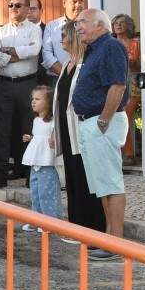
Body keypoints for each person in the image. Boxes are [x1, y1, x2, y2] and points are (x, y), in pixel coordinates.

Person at [70, 9, 130, 259]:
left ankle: (116, 242)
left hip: (101, 123)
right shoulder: (95, 49)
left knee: (110, 182)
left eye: (82, 22)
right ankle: (108, 236)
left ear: (99, 24)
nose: (78, 27)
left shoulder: (110, 46)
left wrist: (103, 121)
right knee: (101, 185)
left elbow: (118, 85)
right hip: (93, 123)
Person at [51, 21, 106, 235]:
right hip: (66, 127)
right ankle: (75, 226)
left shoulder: (86, 62)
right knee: (72, 177)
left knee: (84, 177)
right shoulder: (67, 63)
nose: (60, 40)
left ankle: (90, 228)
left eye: (64, 36)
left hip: (81, 127)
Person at [0, 0, 42, 183]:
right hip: (4, 85)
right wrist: (17, 55)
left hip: (27, 84)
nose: (14, 8)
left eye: (18, 5)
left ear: (27, 9)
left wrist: (7, 53)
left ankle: (28, 173)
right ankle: (0, 175)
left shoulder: (34, 29)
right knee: (2, 131)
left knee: (28, 129)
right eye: (11, 5)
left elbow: (35, 50)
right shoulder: (0, 31)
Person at [21, 85, 62, 231]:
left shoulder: (53, 122)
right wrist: (31, 138)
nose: (33, 102)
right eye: (33, 99)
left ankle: (51, 222)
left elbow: (54, 137)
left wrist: (54, 140)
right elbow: (39, 138)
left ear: (48, 102)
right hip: (36, 161)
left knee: (48, 192)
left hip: (47, 162)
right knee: (35, 191)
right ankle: (36, 220)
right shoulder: (36, 120)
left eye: (37, 99)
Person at [40, 0, 87, 83]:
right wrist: (66, 75)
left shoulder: (89, 25)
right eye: (74, 2)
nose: (78, 5)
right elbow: (47, 53)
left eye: (81, 1)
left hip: (85, 79)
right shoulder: (52, 26)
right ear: (64, 3)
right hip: (58, 79)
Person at [112, 14, 141, 165]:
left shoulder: (136, 42)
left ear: (129, 25)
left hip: (133, 83)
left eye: (122, 22)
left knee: (124, 117)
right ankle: (121, 153)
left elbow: (139, 63)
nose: (119, 25)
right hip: (114, 83)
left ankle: (130, 155)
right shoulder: (110, 43)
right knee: (115, 118)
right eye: (116, 22)